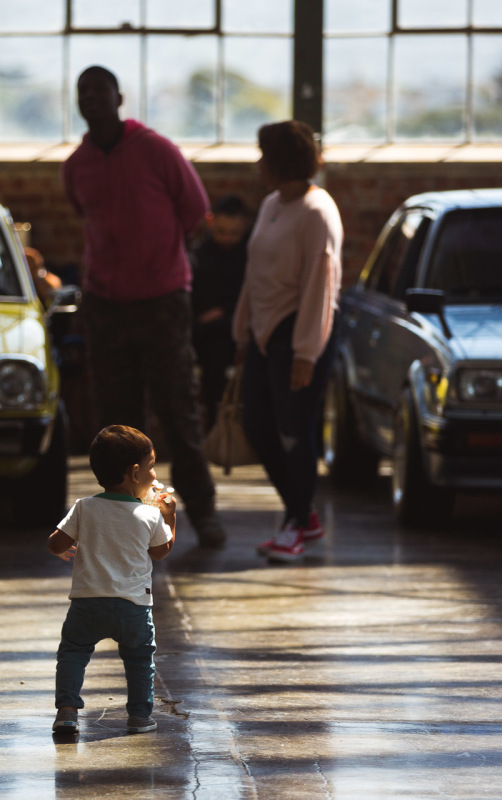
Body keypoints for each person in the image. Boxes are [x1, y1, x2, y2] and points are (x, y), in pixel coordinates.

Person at [61, 65, 226, 549]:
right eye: (83, 91)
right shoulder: (77, 165)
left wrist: (156, 261)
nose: (91, 97)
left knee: (178, 411)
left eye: (100, 89)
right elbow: (82, 211)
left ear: (119, 97)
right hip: (105, 306)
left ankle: (205, 513)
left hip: (162, 302)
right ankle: (127, 525)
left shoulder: (156, 150)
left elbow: (196, 211)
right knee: (117, 424)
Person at [233, 120, 342, 564]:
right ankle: (304, 515)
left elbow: (321, 284)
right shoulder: (271, 204)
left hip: (298, 335)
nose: (258, 164)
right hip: (264, 335)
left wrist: (305, 352)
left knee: (294, 432)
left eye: (264, 156)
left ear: (281, 161)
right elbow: (254, 272)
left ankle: (297, 524)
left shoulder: (317, 211)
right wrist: (242, 330)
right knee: (256, 425)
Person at [48, 424, 175, 735]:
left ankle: (67, 711)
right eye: (151, 467)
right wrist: (170, 516)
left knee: (73, 653)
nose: (155, 476)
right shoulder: (150, 515)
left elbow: (55, 544)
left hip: (87, 605)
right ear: (134, 474)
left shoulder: (84, 507)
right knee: (139, 659)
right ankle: (140, 716)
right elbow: (161, 552)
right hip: (133, 606)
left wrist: (69, 546)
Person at [190, 194, 251, 431]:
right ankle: (217, 428)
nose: (227, 238)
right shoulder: (200, 253)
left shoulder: (250, 252)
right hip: (210, 333)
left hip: (238, 325)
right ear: (211, 222)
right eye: (222, 232)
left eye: (233, 233)